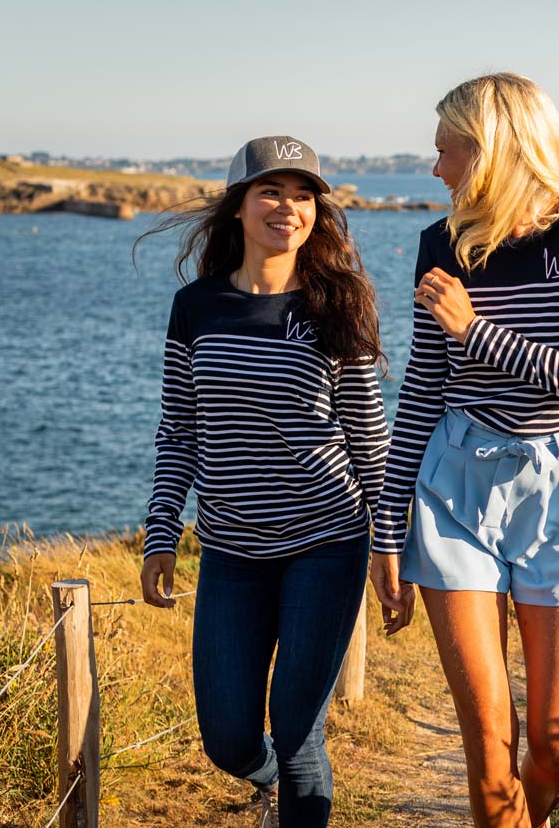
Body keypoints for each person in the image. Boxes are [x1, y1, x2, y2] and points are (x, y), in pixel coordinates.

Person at [369, 73, 559, 827]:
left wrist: (473, 330)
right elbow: (420, 392)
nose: (436, 168)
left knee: (557, 743)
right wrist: (387, 531)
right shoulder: (438, 243)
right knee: (489, 741)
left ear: (487, 152)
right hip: (456, 486)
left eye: (445, 149)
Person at [136, 136, 392, 828]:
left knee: (299, 723)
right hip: (230, 553)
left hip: (328, 543)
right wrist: (162, 530)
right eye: (272, 191)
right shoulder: (197, 308)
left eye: (304, 194)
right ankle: (269, 776)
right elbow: (179, 430)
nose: (289, 207)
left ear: (318, 211)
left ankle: (297, 785)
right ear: (240, 206)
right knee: (226, 737)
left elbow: (370, 438)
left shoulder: (337, 304)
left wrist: (391, 549)